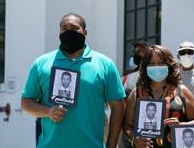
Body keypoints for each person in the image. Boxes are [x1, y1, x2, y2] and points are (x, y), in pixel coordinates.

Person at [21, 13, 126, 148]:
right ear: (59, 32)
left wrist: (111, 146)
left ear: (85, 32)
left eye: (74, 28)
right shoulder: (41, 64)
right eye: (64, 28)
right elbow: (26, 102)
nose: (69, 31)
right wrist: (48, 111)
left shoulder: (105, 64)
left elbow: (118, 106)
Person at [123, 45, 194, 147]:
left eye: (161, 62)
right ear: (145, 66)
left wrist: (181, 125)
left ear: (169, 65)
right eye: (151, 63)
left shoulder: (182, 91)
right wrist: (134, 140)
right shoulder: (136, 93)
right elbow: (127, 125)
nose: (156, 66)